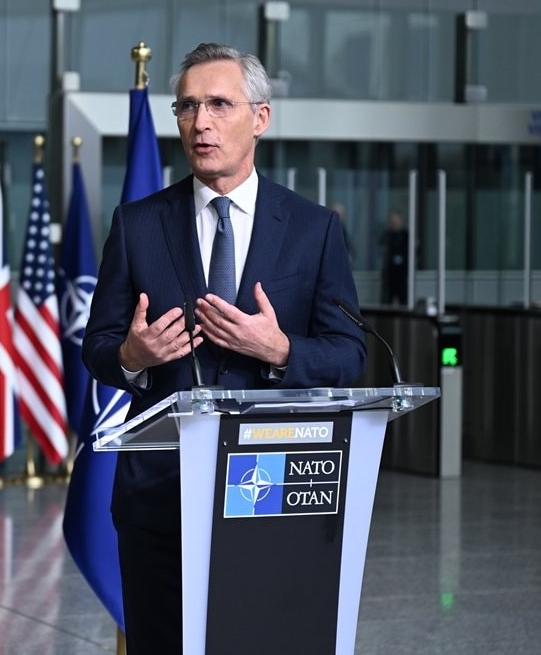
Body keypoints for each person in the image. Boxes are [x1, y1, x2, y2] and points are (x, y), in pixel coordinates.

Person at [82, 43, 366, 654]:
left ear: (260, 118)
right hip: (159, 498)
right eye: (187, 107)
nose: (200, 122)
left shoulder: (313, 229)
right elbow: (97, 347)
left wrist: (281, 349)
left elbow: (350, 355)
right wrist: (133, 356)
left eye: (218, 104)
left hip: (274, 496)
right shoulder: (137, 224)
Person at [380, 208, 409, 305]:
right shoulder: (387, 236)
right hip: (390, 275)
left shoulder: (406, 236)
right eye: (391, 222)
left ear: (401, 221)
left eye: (395, 222)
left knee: (404, 302)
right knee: (387, 302)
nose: (392, 225)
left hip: (403, 275)